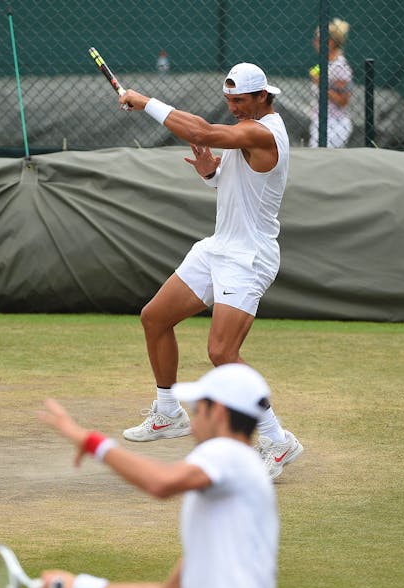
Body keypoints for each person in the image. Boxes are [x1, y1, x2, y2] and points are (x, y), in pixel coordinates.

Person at [115, 63, 303, 480]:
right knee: (155, 317)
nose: (234, 108)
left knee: (221, 353)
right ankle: (168, 412)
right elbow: (241, 189)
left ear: (262, 97)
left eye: (240, 101)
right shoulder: (249, 127)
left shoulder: (265, 131)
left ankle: (277, 440)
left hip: (249, 257)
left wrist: (144, 101)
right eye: (228, 101)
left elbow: (200, 131)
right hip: (218, 248)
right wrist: (212, 175)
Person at [36, 363, 292, 588]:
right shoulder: (226, 515)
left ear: (219, 413)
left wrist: (92, 442)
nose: (193, 422)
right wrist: (77, 587)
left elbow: (161, 483)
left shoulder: (229, 452)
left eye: (198, 411)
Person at [308, 18, 353, 149]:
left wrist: (321, 84)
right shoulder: (326, 64)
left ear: (331, 42)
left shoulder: (339, 66)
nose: (314, 43)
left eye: (318, 39)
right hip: (320, 120)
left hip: (335, 124)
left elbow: (343, 101)